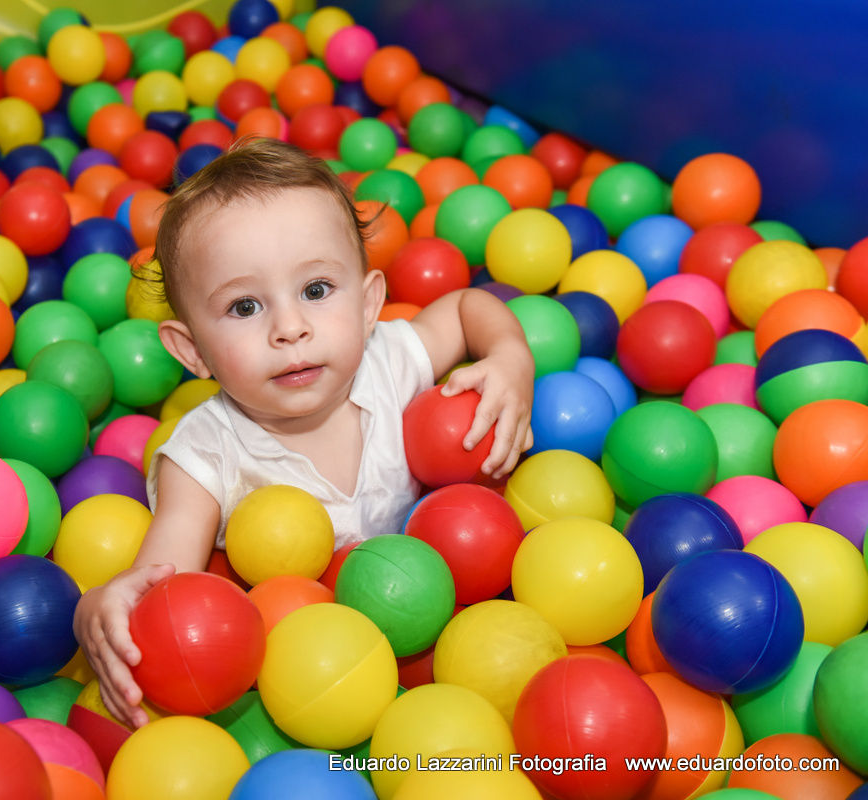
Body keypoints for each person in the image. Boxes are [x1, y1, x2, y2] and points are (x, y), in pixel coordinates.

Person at [73, 137, 535, 727]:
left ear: (370, 305)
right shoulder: (205, 456)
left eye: (316, 291)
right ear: (193, 351)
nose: (290, 328)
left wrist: (511, 357)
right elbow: (164, 584)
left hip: (452, 640)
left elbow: (469, 304)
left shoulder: (386, 362)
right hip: (308, 687)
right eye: (244, 307)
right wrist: (100, 606)